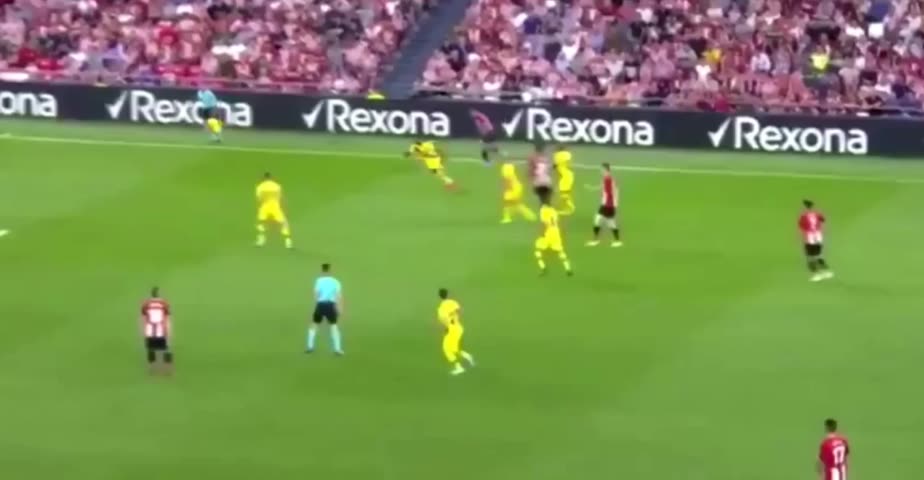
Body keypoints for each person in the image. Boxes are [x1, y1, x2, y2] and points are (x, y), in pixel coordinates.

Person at [307, 263, 344, 355]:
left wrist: (316, 305)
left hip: (320, 305)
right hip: (331, 305)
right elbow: (338, 296)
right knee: (334, 326)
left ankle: (310, 346)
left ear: (322, 270)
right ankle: (337, 349)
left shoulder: (319, 281)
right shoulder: (336, 282)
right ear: (330, 270)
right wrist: (339, 308)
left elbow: (316, 294)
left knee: (314, 325)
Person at [437, 288, 475, 375]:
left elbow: (444, 321)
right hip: (458, 328)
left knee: (447, 349)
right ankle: (468, 357)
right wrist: (454, 317)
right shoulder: (453, 303)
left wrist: (446, 328)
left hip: (452, 330)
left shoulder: (441, 309)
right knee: (454, 349)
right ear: (447, 294)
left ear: (440, 297)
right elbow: (460, 311)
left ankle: (459, 367)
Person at [535, 189, 573, 276]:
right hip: (556, 231)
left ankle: (543, 268)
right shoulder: (553, 210)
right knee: (560, 251)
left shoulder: (543, 210)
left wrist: (541, 233)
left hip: (547, 232)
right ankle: (568, 269)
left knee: (538, 250)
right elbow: (557, 221)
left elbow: (544, 223)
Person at [586, 163, 622, 247]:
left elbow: (616, 190)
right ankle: (596, 240)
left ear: (606, 170)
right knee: (598, 219)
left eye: (601, 169)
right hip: (604, 203)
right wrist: (591, 188)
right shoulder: (605, 179)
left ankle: (616, 241)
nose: (600, 171)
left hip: (609, 204)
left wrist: (615, 203)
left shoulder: (610, 179)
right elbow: (602, 187)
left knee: (610, 222)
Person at [255, 172, 293, 249]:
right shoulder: (276, 186)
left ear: (264, 178)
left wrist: (259, 207)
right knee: (283, 223)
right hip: (275, 206)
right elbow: (280, 198)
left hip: (265, 207)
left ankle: (261, 240)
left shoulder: (260, 187)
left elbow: (259, 199)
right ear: (271, 178)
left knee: (261, 222)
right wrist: (284, 207)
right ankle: (288, 242)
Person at [141, 287, 173, 375]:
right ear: (159, 294)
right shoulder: (164, 303)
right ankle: (168, 370)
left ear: (151, 294)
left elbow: (144, 317)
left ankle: (152, 370)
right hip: (161, 330)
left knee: (151, 350)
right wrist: (169, 331)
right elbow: (167, 317)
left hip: (150, 331)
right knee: (166, 350)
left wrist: (144, 331)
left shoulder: (146, 304)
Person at [799, 199, 833, 282]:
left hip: (810, 237)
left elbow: (801, 226)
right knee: (818, 256)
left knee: (810, 257)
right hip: (818, 236)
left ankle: (817, 275)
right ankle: (827, 272)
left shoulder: (803, 216)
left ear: (805, 207)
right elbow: (823, 220)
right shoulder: (817, 214)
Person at [553, 145, 575, 215]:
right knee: (564, 193)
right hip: (569, 175)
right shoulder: (567, 154)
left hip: (566, 177)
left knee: (563, 193)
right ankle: (566, 207)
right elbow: (569, 164)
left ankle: (571, 208)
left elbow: (555, 166)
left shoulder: (556, 155)